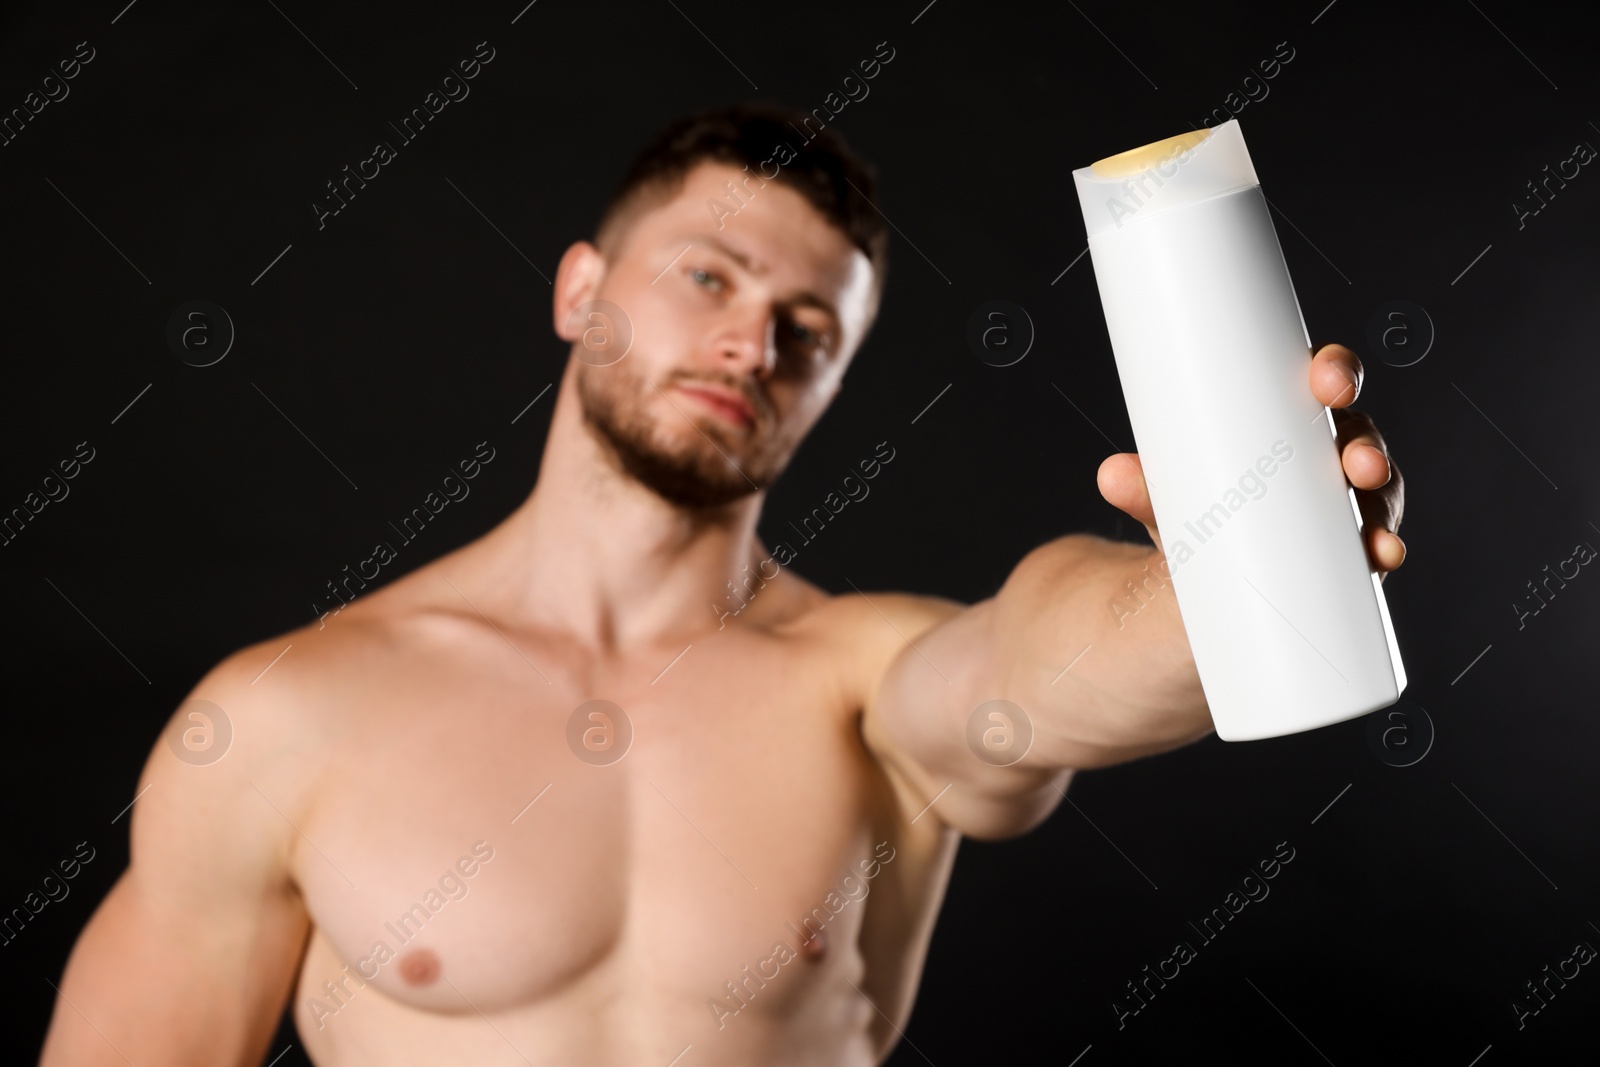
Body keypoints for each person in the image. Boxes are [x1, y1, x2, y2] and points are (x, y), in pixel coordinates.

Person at [39, 102, 1405, 1066]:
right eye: (710, 275)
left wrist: (1226, 574)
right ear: (582, 289)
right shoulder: (290, 716)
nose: (753, 340)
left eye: (809, 329)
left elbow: (1032, 671)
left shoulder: (859, 683)